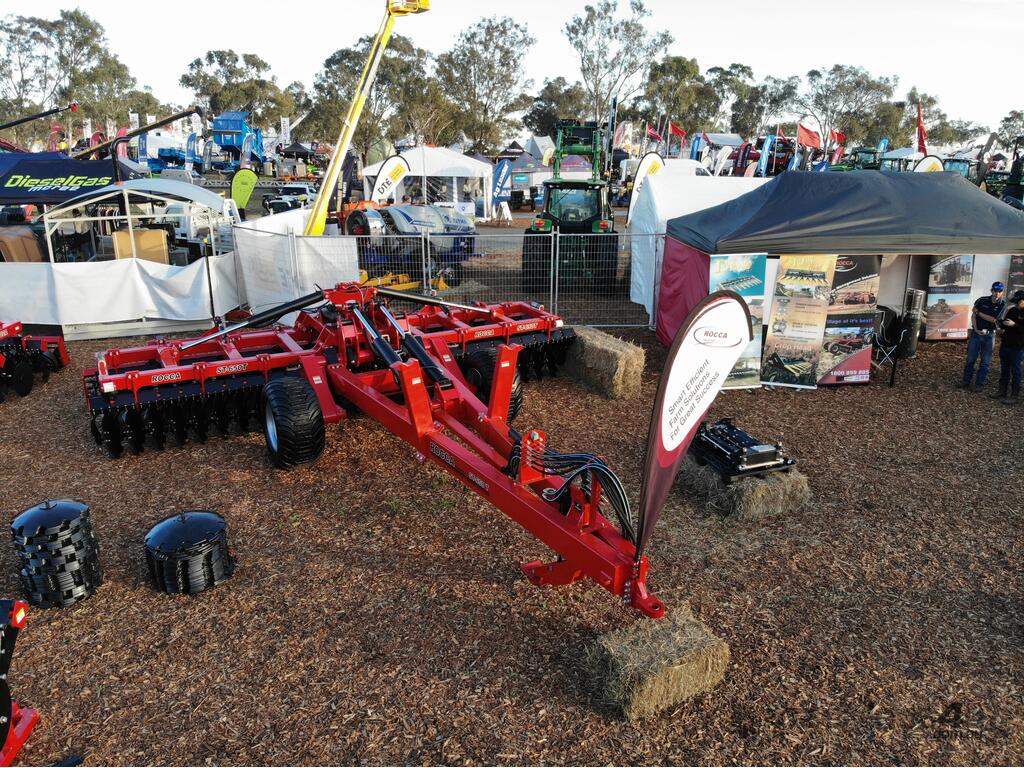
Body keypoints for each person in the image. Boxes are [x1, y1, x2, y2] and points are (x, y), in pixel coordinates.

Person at [961, 281, 1006, 391]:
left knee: (985, 362)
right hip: (976, 334)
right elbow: (973, 315)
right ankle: (966, 381)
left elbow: (993, 320)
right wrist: (976, 329)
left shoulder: (1003, 305)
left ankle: (979, 384)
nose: (997, 293)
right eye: (995, 291)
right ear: (991, 291)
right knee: (970, 359)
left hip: (989, 335)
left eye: (1000, 291)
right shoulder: (981, 300)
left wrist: (979, 313)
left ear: (1002, 292)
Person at [993, 289, 1024, 403]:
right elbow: (1006, 324)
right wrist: (1001, 323)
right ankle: (1002, 391)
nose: (1016, 304)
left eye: (1018, 302)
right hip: (1006, 344)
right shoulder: (1012, 310)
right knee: (1004, 368)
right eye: (1015, 302)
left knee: (1016, 371)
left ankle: (1014, 395)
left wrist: (1014, 324)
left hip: (1018, 347)